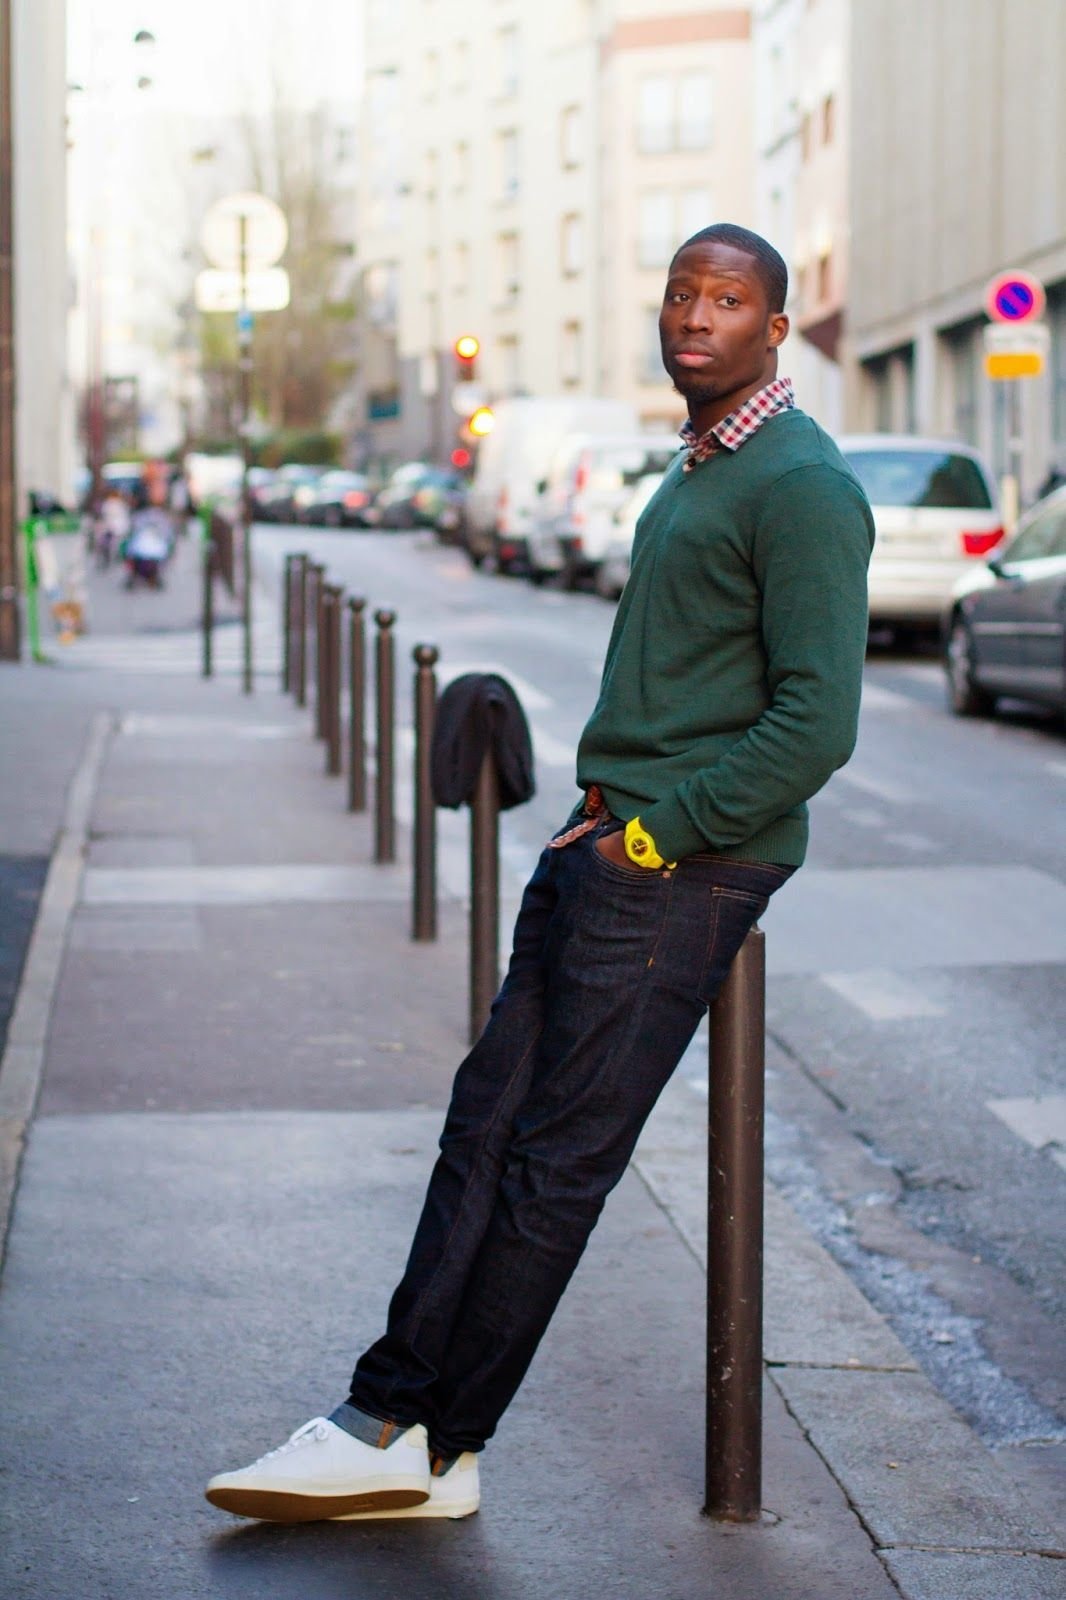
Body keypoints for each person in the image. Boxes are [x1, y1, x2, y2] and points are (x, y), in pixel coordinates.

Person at [205, 223, 875, 1524]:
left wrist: (655, 833)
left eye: (727, 300)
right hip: (608, 840)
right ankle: (388, 1418)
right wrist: (604, 823)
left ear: (775, 329)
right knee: (483, 1127)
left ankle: (440, 1440)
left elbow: (816, 721)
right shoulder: (697, 470)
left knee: (553, 1161)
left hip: (677, 866)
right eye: (680, 293)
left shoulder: (797, 483)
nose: (695, 317)